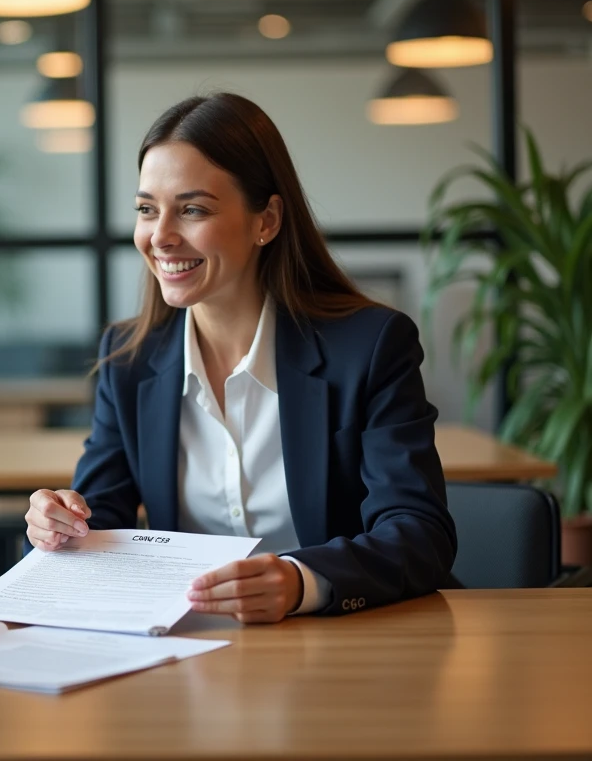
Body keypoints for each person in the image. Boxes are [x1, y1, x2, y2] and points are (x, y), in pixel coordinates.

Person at [25, 93, 456, 623]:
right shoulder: (128, 359)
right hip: (190, 643)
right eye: (146, 209)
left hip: (342, 640)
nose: (160, 236)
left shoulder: (369, 346)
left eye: (193, 210)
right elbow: (98, 521)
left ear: (266, 220)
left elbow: (419, 533)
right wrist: (57, 526)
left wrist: (300, 581)